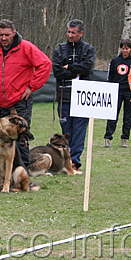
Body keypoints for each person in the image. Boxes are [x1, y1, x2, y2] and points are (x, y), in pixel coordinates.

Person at [0, 19, 51, 166]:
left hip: (20, 101)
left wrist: (32, 87)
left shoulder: (26, 48)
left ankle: (23, 172)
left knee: (20, 138)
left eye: (7, 35)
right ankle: (9, 172)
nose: (4, 38)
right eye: (1, 35)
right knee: (5, 138)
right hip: (3, 102)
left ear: (14, 33)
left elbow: (45, 64)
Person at [52, 19, 96, 171]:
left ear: (81, 33)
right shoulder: (60, 49)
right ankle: (64, 160)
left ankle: (75, 162)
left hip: (82, 98)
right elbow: (57, 71)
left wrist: (69, 67)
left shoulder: (88, 49)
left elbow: (88, 67)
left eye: (73, 32)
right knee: (67, 131)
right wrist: (76, 71)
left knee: (79, 131)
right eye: (68, 32)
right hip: (64, 96)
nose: (70, 35)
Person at [103, 40, 131, 148]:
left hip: (129, 92)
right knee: (112, 116)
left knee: (127, 117)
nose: (125, 50)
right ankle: (108, 138)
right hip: (116, 91)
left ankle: (124, 139)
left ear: (130, 49)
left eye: (127, 48)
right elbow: (110, 77)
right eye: (123, 48)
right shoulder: (115, 61)